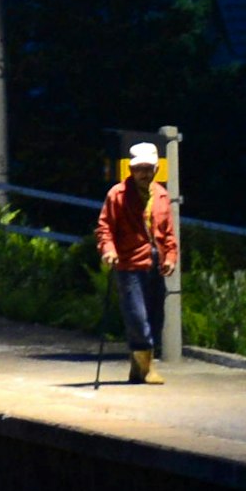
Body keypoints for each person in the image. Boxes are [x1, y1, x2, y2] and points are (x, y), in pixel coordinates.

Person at [94, 141, 178, 384]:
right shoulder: (117, 194)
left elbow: (169, 233)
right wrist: (108, 250)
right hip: (129, 263)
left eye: (148, 168)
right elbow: (104, 228)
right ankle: (148, 369)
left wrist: (171, 257)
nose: (143, 173)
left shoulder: (162, 195)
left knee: (155, 317)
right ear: (131, 170)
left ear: (155, 170)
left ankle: (138, 367)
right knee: (137, 317)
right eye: (139, 168)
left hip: (156, 261)